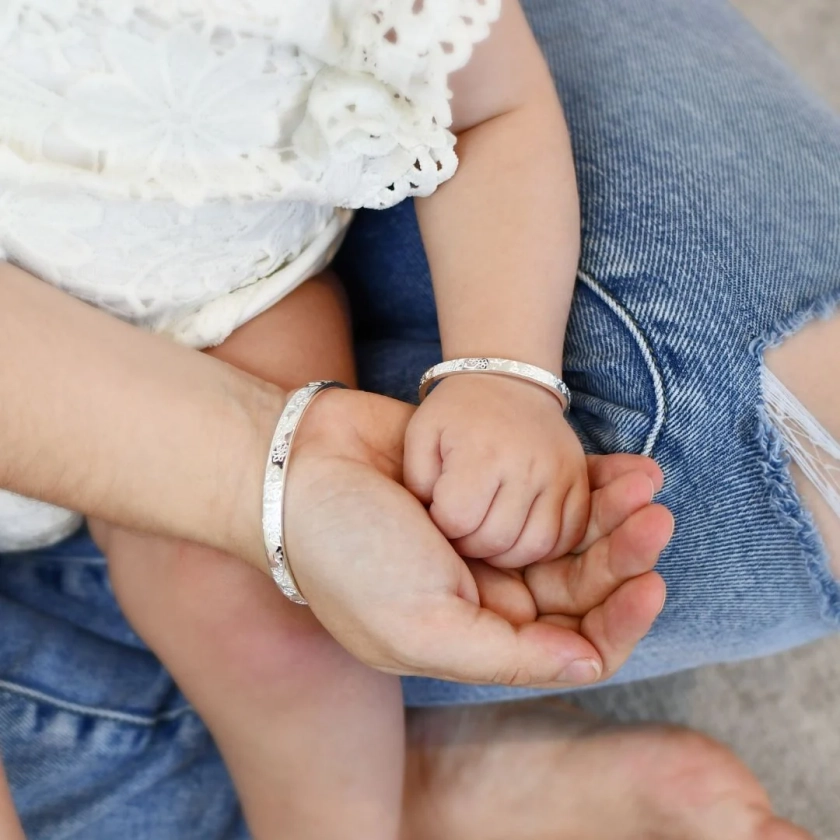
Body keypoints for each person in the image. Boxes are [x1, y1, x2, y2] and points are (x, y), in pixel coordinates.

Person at [0, 0, 837, 838]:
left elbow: (492, 114)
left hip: (228, 302)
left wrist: (505, 373)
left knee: (277, 605)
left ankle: (350, 817)